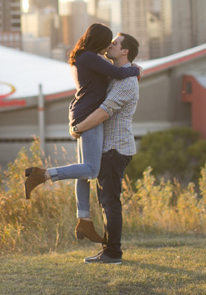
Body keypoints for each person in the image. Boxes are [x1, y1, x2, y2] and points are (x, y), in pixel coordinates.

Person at [23, 24, 141, 244]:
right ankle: (43, 175)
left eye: (113, 43)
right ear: (99, 40)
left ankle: (84, 221)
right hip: (88, 117)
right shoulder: (89, 58)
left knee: (85, 173)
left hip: (82, 114)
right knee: (91, 169)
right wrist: (136, 69)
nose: (109, 45)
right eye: (109, 41)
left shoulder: (86, 57)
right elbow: (118, 72)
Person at [71, 32, 140, 264]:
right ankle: (109, 251)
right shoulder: (116, 76)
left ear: (124, 51)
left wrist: (78, 127)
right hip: (108, 148)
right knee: (106, 200)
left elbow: (103, 113)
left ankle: (113, 253)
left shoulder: (126, 82)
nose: (109, 46)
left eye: (115, 43)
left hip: (115, 148)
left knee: (110, 201)